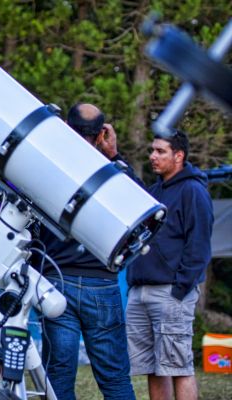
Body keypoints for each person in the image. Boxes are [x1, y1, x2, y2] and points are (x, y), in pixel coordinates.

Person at [38, 103, 137, 400]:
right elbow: (139, 205)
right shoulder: (114, 174)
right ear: (100, 135)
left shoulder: (47, 165)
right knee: (115, 378)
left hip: (58, 280)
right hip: (101, 283)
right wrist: (115, 155)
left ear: (67, 128)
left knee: (58, 374)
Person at [126, 130, 213, 400]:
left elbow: (199, 247)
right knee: (154, 368)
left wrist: (179, 290)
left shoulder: (193, 191)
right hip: (140, 292)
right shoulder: (155, 191)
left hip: (170, 293)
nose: (153, 156)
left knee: (179, 367)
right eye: (152, 150)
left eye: (160, 151)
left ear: (179, 155)